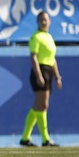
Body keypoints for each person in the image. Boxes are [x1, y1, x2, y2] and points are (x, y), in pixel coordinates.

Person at [19, 11, 62, 147]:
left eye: (46, 19)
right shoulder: (35, 37)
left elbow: (53, 59)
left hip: (49, 71)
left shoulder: (49, 37)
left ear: (49, 21)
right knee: (42, 105)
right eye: (41, 20)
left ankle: (25, 138)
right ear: (37, 22)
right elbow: (34, 57)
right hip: (41, 71)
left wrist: (57, 76)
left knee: (39, 106)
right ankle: (45, 139)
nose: (44, 22)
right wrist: (39, 75)